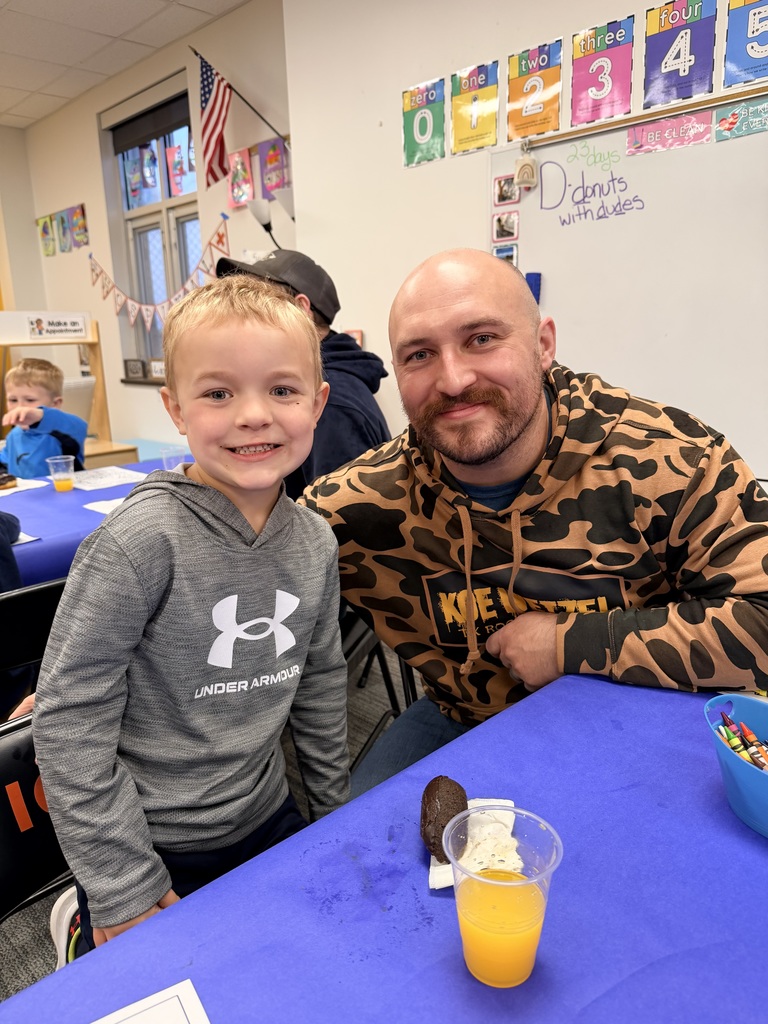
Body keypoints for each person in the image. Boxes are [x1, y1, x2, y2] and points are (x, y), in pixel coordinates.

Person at [301, 247, 768, 792]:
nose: (452, 380)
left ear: (543, 344)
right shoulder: (353, 507)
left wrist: (570, 645)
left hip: (643, 716)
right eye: (420, 355)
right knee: (344, 856)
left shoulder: (670, 461)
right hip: (464, 719)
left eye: (482, 339)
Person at [32, 275, 350, 962]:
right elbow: (67, 715)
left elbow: (321, 685)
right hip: (149, 842)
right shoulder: (140, 543)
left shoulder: (315, 542)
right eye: (217, 393)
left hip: (263, 817)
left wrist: (332, 815)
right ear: (176, 409)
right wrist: (120, 882)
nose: (253, 415)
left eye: (282, 390)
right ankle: (81, 913)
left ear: (317, 402)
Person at [216, 250, 390, 498]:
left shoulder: (332, 403)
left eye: (258, 301)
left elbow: (339, 523)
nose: (242, 315)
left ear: (300, 309)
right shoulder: (315, 382)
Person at [2, 358, 87, 478]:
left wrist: (38, 415)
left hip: (64, 492)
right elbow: (5, 462)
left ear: (55, 403)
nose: (19, 407)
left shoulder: (60, 431)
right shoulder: (13, 435)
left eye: (30, 400)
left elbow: (79, 425)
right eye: (13, 400)